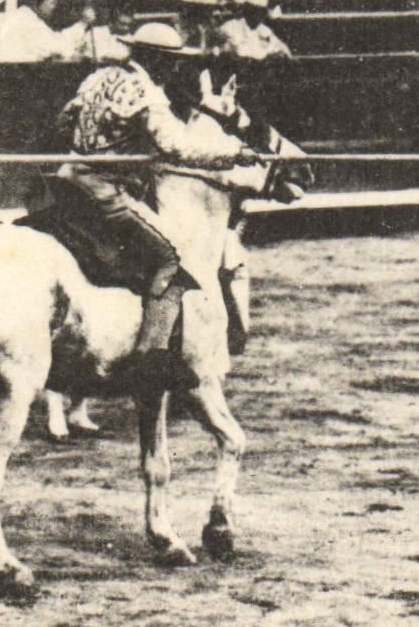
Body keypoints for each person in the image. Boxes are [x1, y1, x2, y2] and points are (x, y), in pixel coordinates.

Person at [54, 22, 264, 387]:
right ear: (155, 59)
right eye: (169, 61)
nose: (172, 69)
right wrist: (235, 153)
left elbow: (63, 121)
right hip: (107, 192)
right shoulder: (147, 94)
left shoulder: (96, 77)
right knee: (172, 257)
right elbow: (178, 146)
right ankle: (151, 357)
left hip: (64, 183)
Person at [0, 0, 72, 63]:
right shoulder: (29, 20)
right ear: (40, 2)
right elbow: (54, 45)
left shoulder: (24, 15)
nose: (54, 7)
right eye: (52, 3)